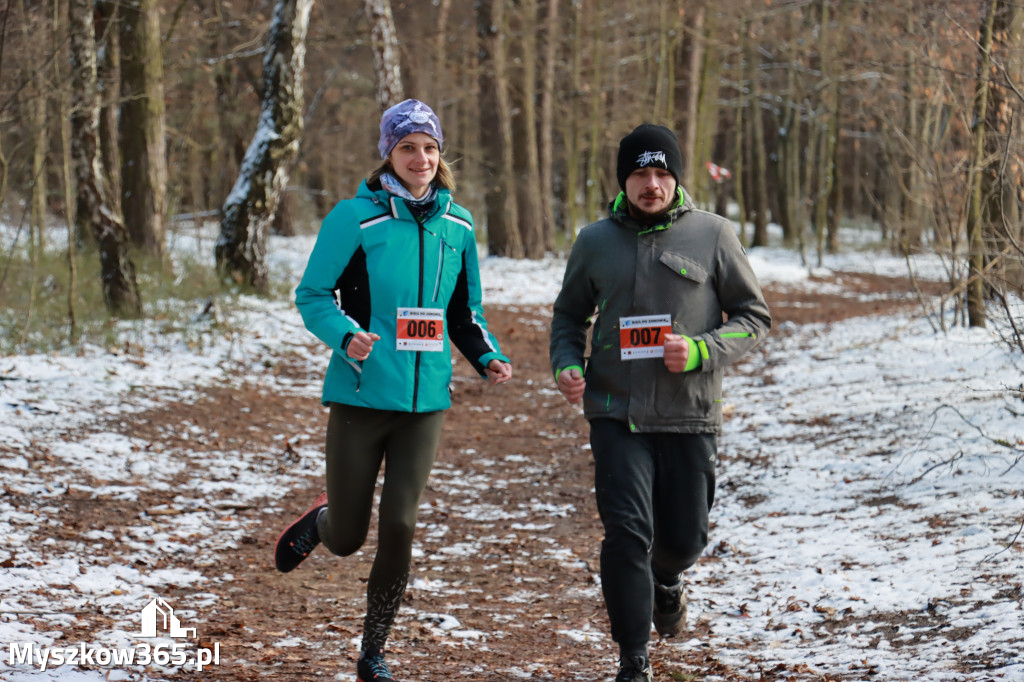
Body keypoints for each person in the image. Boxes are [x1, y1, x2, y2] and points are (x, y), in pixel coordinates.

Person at [275, 99, 512, 682]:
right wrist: (345, 334)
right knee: (352, 538)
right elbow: (312, 295)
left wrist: (487, 356)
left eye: (429, 147)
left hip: (424, 404)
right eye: (408, 147)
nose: (421, 158)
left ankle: (373, 650)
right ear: (389, 153)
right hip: (360, 396)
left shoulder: (459, 226)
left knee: (401, 524)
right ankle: (326, 521)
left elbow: (464, 310)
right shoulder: (354, 218)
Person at [549, 124, 771, 682]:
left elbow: (754, 320)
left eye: (661, 174)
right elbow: (568, 316)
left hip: (689, 414)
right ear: (623, 180)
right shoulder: (594, 241)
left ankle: (667, 580)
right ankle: (633, 660)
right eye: (640, 174)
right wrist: (568, 364)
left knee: (684, 539)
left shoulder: (714, 235)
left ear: (676, 178)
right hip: (615, 412)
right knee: (626, 533)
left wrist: (700, 350)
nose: (652, 185)